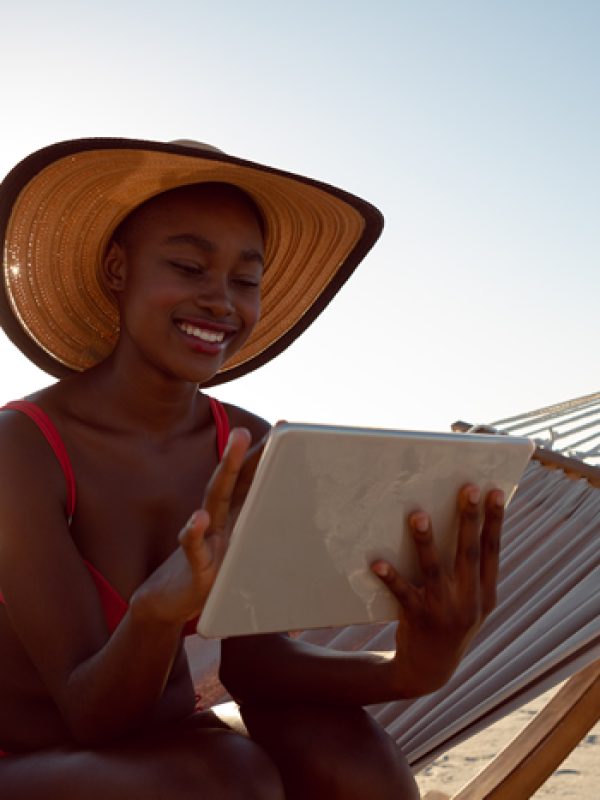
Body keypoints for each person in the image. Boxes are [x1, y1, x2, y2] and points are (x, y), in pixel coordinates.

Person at [0, 138, 504, 799]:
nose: (221, 301)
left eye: (245, 281)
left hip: (169, 748)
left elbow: (256, 664)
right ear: (118, 269)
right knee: (227, 782)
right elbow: (90, 714)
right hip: (30, 756)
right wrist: (155, 612)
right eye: (187, 266)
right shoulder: (21, 450)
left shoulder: (248, 444)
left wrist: (411, 670)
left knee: (351, 758)